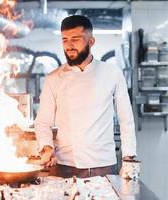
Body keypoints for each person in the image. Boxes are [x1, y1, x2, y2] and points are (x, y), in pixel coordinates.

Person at [34, 15, 137, 178]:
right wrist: (46, 147)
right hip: (64, 166)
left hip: (103, 166)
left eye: (75, 39)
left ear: (91, 41)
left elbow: (126, 120)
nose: (69, 45)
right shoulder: (53, 78)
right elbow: (43, 122)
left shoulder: (112, 73)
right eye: (65, 40)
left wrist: (129, 157)